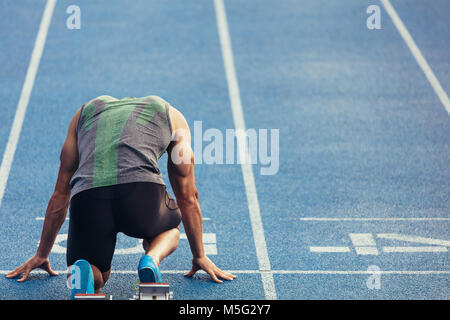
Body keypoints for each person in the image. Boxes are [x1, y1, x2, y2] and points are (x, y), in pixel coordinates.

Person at [6, 95, 236, 297]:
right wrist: (199, 256)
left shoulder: (83, 113)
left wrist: (41, 253)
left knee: (97, 276)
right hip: (141, 197)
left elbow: (60, 194)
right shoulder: (173, 117)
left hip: (89, 198)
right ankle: (151, 260)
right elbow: (188, 196)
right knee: (170, 229)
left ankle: (86, 271)